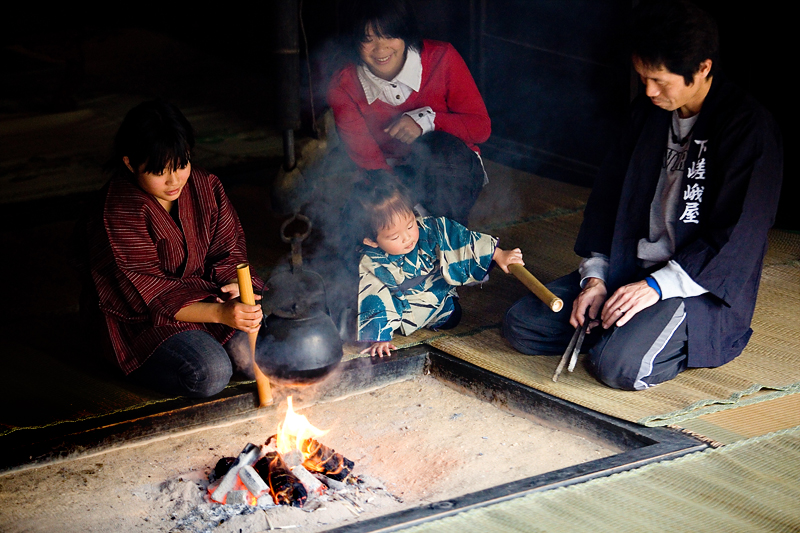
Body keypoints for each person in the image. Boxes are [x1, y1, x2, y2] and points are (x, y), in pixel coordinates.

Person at [502, 0, 783, 390]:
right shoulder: (646, 113)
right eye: (643, 77)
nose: (649, 91)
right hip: (628, 269)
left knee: (619, 368)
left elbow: (736, 239)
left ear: (703, 68)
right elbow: (607, 204)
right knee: (523, 325)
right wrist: (595, 281)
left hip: (694, 287)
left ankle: (626, 335)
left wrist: (655, 288)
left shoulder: (747, 128)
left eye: (661, 81)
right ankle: (620, 325)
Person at [83, 100, 266, 397]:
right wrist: (221, 316)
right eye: (159, 172)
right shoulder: (118, 210)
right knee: (211, 373)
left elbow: (228, 249)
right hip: (142, 321)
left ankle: (213, 343)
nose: (174, 181)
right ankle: (129, 367)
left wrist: (233, 285)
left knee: (262, 356)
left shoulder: (206, 186)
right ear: (130, 163)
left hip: (212, 300)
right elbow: (149, 297)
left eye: (181, 165)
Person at [327, 0, 490, 226]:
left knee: (441, 157)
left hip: (449, 170)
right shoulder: (343, 85)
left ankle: (452, 236)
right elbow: (369, 160)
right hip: (390, 175)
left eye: (389, 35)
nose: (381, 49)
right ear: (354, 41)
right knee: (353, 235)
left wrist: (426, 121)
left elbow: (480, 128)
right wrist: (403, 211)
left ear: (405, 32)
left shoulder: (442, 58)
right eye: (368, 39)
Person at [356, 174, 523, 357]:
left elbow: (459, 238)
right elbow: (374, 297)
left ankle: (440, 315)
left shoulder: (429, 229)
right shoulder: (372, 262)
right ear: (371, 240)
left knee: (454, 317)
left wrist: (498, 254)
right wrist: (380, 337)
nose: (407, 238)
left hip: (438, 299)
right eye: (395, 237)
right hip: (403, 311)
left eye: (410, 225)